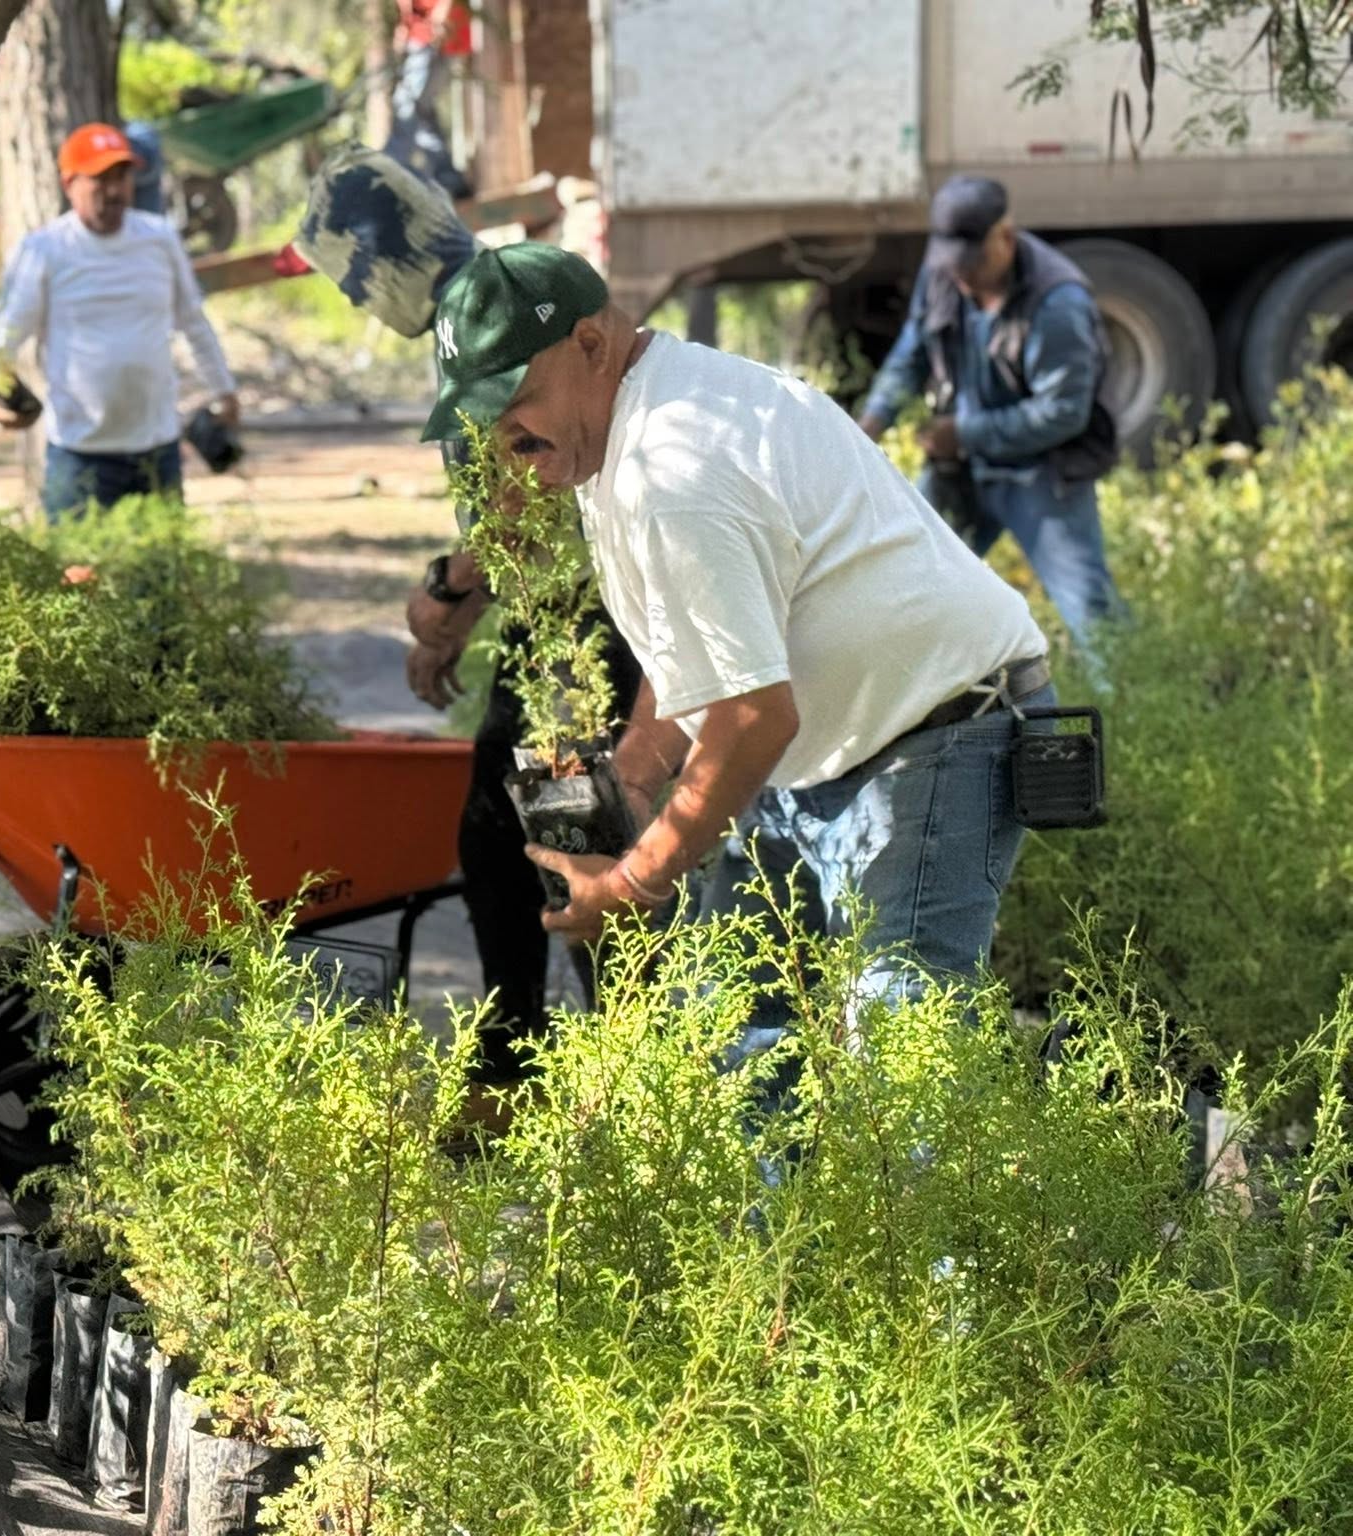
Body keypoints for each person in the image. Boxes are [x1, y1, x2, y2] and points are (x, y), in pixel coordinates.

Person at [420, 241, 1054, 1060]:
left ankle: (1116, 1121)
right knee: (740, 1034)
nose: (505, 434)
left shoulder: (671, 468)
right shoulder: (623, 427)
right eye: (483, 412)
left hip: (941, 731)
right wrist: (639, 770)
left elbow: (753, 715)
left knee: (903, 1050)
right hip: (828, 748)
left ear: (589, 345)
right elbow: (699, 641)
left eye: (518, 400)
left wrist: (633, 881)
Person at [293, 148, 642, 1087]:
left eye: (356, 279)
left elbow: (528, 498)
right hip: (563, 622)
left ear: (383, 253)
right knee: (505, 838)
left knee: (563, 842)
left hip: (582, 632)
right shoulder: (487, 294)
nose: (363, 302)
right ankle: (522, 1064)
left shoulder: (476, 318)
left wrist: (445, 596)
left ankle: (598, 1076)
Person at [857, 175, 1121, 653]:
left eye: (970, 266)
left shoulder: (1058, 303)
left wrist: (966, 433)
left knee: (1094, 620)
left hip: (1042, 476)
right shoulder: (943, 271)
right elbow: (912, 350)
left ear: (1005, 238)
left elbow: (1063, 413)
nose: (960, 280)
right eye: (950, 267)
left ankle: (1132, 702)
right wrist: (870, 423)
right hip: (962, 471)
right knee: (900, 587)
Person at [0, 122, 239, 520]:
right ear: (70, 184)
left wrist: (225, 390)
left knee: (161, 577)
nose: (115, 191)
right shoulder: (44, 251)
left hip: (157, 449)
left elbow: (193, 321)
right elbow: (5, 335)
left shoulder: (159, 239)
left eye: (122, 177)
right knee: (77, 576)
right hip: (80, 455)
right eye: (100, 180)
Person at [384, 0, 473, 200]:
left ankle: (387, 180)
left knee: (407, 107)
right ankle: (452, 181)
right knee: (422, 115)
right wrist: (404, 27)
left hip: (440, 39)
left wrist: (443, 11)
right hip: (420, 40)